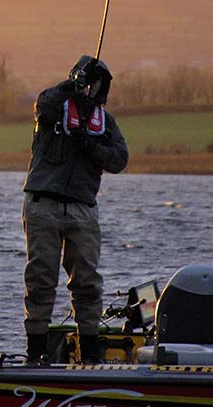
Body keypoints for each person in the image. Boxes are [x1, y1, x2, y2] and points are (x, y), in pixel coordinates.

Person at [21, 55, 128, 365]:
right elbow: (44, 102)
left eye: (100, 86)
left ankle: (90, 351)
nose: (95, 91)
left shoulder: (104, 123)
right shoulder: (53, 107)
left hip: (83, 209)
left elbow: (120, 159)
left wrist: (90, 145)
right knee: (41, 279)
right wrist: (72, 86)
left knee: (87, 283)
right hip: (43, 203)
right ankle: (35, 351)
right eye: (92, 83)